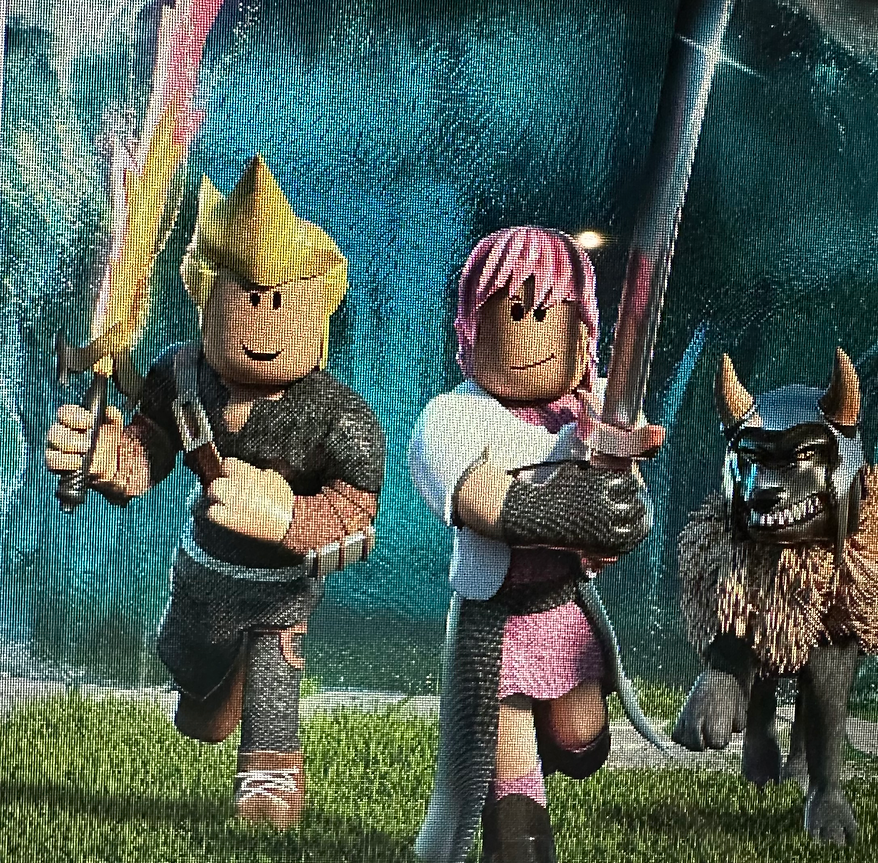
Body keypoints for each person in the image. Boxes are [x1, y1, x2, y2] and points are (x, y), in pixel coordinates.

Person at [45, 155, 385, 828]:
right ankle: (213, 685)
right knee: (200, 714)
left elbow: (359, 524)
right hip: (202, 579)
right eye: (248, 297)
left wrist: (289, 517)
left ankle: (271, 770)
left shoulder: (339, 417)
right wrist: (106, 457)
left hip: (280, 590)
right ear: (209, 298)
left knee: (273, 673)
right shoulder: (180, 376)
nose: (263, 317)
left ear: (317, 308)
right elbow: (146, 453)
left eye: (279, 298)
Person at [409, 225, 661, 863]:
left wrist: (621, 493)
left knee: (582, 739)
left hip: (565, 613)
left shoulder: (591, 412)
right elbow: (482, 502)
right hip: (494, 622)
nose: (531, 332)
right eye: (515, 311)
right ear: (474, 325)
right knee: (505, 748)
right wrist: (573, 507)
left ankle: (566, 745)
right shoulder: (454, 416)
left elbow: (625, 508)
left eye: (549, 313)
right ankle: (521, 844)